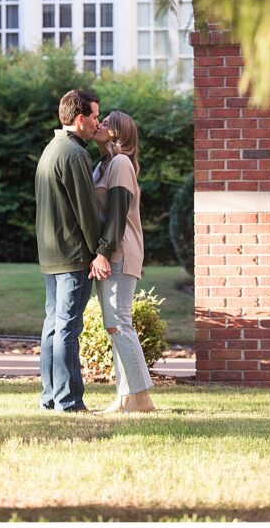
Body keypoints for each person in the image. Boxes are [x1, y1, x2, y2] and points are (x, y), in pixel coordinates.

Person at [34, 89, 112, 412]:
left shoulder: (51, 149)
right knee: (67, 327)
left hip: (51, 256)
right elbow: (87, 211)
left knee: (53, 325)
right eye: (94, 116)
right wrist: (101, 249)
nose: (97, 122)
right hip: (73, 256)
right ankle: (69, 401)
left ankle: (50, 397)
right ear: (79, 119)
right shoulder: (75, 155)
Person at [89, 110, 156, 413]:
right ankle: (124, 398)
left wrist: (103, 252)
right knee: (114, 325)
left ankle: (142, 398)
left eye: (106, 123)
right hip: (110, 252)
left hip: (120, 252)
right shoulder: (103, 165)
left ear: (119, 133)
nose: (99, 124)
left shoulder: (121, 163)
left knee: (119, 323)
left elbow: (117, 213)